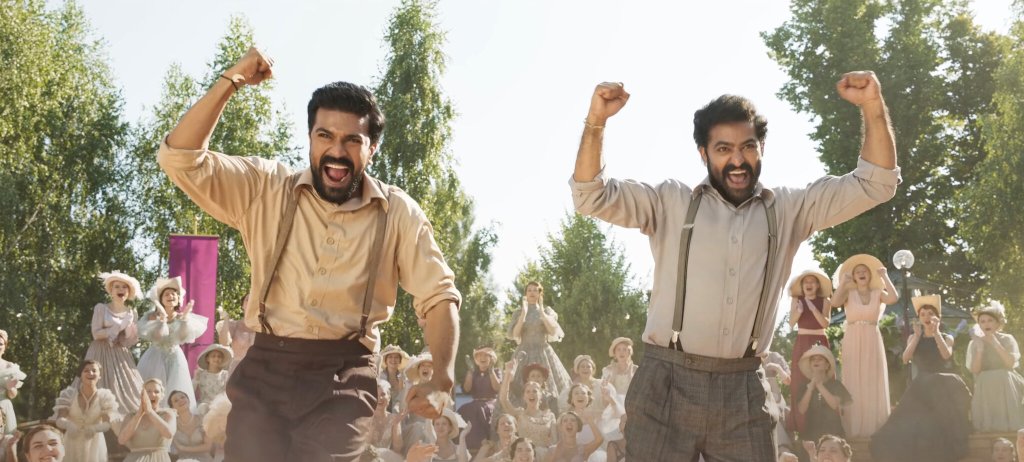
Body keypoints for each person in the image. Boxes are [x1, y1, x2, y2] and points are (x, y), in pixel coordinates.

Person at [570, 70, 899, 460]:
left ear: (762, 148)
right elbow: (590, 196)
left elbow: (876, 183)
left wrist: (873, 106)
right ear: (703, 153)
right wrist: (596, 123)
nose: (738, 160)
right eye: (723, 149)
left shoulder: (790, 209)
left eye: (748, 147)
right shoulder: (670, 202)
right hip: (665, 384)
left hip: (743, 387)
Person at [158, 46, 461, 461]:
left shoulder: (398, 213)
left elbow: (439, 296)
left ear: (371, 148)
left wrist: (442, 378)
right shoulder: (266, 188)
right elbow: (180, 158)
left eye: (352, 140)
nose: (337, 151)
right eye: (325, 136)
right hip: (265, 368)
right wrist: (232, 79)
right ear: (310, 139)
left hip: (345, 374)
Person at [830, 254, 897, 437]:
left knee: (873, 378)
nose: (861, 273)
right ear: (853, 276)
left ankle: (875, 426)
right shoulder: (849, 293)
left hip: (872, 337)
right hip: (852, 337)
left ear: (870, 275)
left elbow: (893, 298)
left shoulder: (877, 293)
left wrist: (884, 276)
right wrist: (843, 283)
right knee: (854, 379)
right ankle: (854, 426)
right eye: (857, 271)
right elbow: (834, 302)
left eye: (864, 271)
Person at [137, 276, 208, 409]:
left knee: (176, 389)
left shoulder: (182, 317)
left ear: (178, 298)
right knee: (152, 389)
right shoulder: (153, 316)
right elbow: (157, 337)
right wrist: (162, 320)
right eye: (167, 294)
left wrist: (184, 320)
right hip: (155, 357)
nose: (170, 296)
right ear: (161, 300)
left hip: (175, 357)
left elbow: (182, 337)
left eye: (174, 294)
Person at [85, 271, 145, 416]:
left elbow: (127, 341)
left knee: (127, 388)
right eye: (117, 286)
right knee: (97, 383)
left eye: (124, 287)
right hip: (100, 351)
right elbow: (96, 333)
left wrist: (129, 331)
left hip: (120, 353)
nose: (120, 290)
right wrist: (117, 327)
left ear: (128, 292)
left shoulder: (132, 312)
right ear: (111, 291)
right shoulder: (101, 308)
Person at [506, 282, 572, 401]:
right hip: (523, 352)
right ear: (525, 294)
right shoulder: (518, 312)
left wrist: (541, 311)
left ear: (540, 294)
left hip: (543, 351)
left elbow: (552, 331)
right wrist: (523, 314)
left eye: (535, 290)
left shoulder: (547, 311)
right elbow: (515, 334)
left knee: (549, 387)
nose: (532, 293)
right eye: (529, 290)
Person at [786, 269, 832, 433]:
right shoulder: (796, 300)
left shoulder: (825, 301)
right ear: (802, 285)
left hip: (819, 342)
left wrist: (813, 309)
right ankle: (802, 425)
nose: (809, 284)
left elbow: (825, 324)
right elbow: (791, 323)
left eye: (812, 281)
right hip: (802, 342)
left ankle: (823, 425)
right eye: (806, 281)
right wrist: (799, 311)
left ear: (818, 285)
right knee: (800, 381)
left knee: (822, 380)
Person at [967, 300, 1024, 432]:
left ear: (998, 323)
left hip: (1006, 381)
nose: (986, 324)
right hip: (985, 383)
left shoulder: (1007, 339)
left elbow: (1010, 363)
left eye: (990, 320)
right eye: (982, 321)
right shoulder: (975, 343)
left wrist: (995, 343)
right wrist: (980, 349)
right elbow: (975, 370)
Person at [52, 360, 121, 462]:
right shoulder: (69, 395)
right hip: (71, 442)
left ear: (99, 375)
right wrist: (68, 425)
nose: (90, 373)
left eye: (94, 370)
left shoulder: (104, 397)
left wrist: (95, 428)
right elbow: (59, 419)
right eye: (86, 370)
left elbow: (107, 423)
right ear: (80, 375)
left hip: (94, 444)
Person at [796, 345, 850, 453]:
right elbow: (801, 409)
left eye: (820, 359)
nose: (816, 361)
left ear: (827, 365)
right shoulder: (803, 386)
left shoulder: (836, 385)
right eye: (813, 359)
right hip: (810, 433)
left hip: (833, 434)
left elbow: (834, 404)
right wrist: (811, 387)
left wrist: (819, 385)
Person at [500, 359, 557, 452]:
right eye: (528, 391)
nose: (531, 394)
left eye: (535, 391)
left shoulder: (550, 416)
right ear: (524, 396)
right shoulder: (519, 414)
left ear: (540, 395)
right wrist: (507, 375)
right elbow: (503, 399)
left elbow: (555, 443)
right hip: (523, 456)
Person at [115, 378, 176, 462]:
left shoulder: (168, 414)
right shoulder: (130, 416)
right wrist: (139, 414)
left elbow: (169, 434)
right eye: (148, 391)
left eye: (156, 392)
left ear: (162, 396)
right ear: (142, 395)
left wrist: (150, 412)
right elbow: (122, 440)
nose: (152, 394)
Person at [457, 347, 501, 453]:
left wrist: (491, 370)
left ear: (492, 358)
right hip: (475, 402)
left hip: (491, 402)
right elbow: (466, 389)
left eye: (486, 355)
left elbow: (498, 388)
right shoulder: (474, 372)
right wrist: (470, 371)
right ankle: (469, 447)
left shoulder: (496, 371)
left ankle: (484, 445)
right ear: (476, 360)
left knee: (480, 410)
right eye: (479, 355)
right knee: (465, 410)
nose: (482, 358)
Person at [901, 294, 954, 376]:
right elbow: (905, 359)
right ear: (919, 318)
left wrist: (936, 333)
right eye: (922, 314)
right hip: (920, 380)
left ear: (938, 317)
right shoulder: (913, 337)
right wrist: (916, 336)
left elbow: (946, 355)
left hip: (941, 380)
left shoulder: (948, 338)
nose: (927, 317)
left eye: (930, 313)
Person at [215, 294, 254, 376]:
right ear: (242, 305)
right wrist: (226, 319)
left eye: (253, 299)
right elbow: (223, 343)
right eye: (247, 299)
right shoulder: (234, 325)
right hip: (236, 370)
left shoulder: (264, 328)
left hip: (257, 370)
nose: (250, 301)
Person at [193, 344, 232, 414]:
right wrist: (195, 379)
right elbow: (192, 389)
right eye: (213, 356)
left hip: (220, 407)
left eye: (219, 356)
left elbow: (229, 393)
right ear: (207, 359)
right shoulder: (200, 374)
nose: (216, 359)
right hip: (204, 407)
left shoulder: (225, 375)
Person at [0, 330, 25, 438]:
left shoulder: (10, 367)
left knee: (5, 441)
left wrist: (10, 387)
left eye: (0, 344)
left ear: (5, 347)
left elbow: (13, 395)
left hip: (3, 407)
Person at [380, 345, 411, 413]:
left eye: (396, 357)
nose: (393, 360)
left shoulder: (404, 377)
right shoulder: (380, 377)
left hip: (400, 413)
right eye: (390, 357)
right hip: (382, 413)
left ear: (400, 360)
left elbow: (404, 399)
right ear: (386, 360)